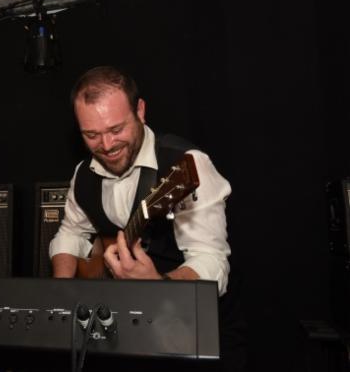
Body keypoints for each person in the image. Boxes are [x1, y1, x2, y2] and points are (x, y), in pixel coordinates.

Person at [49, 65, 231, 294]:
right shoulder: (84, 173)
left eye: (116, 129)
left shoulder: (185, 165)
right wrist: (59, 290)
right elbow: (70, 232)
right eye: (92, 135)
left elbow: (212, 262)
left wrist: (158, 284)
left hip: (181, 308)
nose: (106, 145)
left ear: (140, 111)